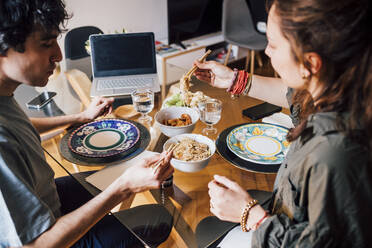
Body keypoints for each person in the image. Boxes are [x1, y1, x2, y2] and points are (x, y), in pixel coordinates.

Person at [193, 0, 372, 247]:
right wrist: (234, 79)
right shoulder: (338, 86)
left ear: (310, 64)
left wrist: (252, 215)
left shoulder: (334, 153)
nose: (266, 51)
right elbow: (292, 92)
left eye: (274, 44)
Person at [0, 0, 173, 247]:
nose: (59, 56)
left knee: (119, 173)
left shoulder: (3, 95)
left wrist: (80, 117)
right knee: (157, 217)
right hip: (47, 239)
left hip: (46, 195)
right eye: (47, 44)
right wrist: (123, 188)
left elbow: (19, 124)